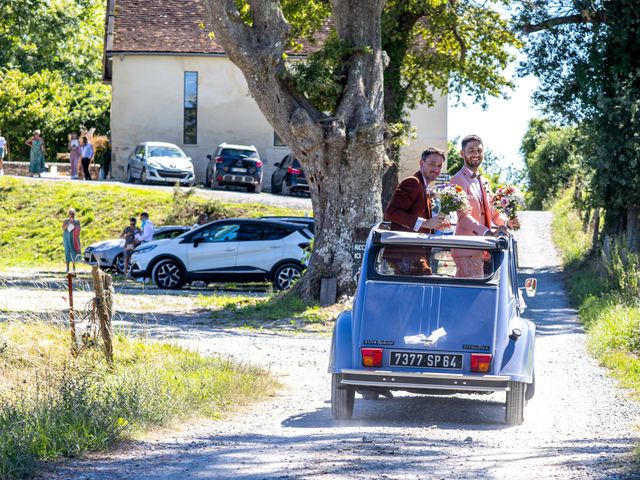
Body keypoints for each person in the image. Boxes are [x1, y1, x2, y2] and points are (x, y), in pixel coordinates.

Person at [451, 134, 520, 278]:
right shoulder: (457, 180)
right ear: (462, 154)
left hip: (486, 250)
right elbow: (464, 217)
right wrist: (488, 233)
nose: (476, 154)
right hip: (467, 250)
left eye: (479, 150)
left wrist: (507, 222)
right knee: (469, 297)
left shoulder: (485, 181)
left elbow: (493, 213)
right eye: (471, 150)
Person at [384, 147, 448, 275]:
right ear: (421, 163)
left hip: (416, 254)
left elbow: (420, 221)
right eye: (432, 164)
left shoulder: (424, 187)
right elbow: (391, 213)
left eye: (440, 166)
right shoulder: (413, 182)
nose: (436, 169)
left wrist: (435, 225)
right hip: (405, 255)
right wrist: (425, 223)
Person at [62, 208, 81, 273]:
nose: (72, 215)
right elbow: (64, 229)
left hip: (74, 238)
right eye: (70, 214)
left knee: (73, 252)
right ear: (68, 214)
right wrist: (69, 224)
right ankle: (67, 268)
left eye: (73, 214)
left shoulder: (77, 221)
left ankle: (74, 268)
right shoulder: (66, 221)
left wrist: (74, 225)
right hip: (67, 238)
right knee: (67, 252)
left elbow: (79, 230)